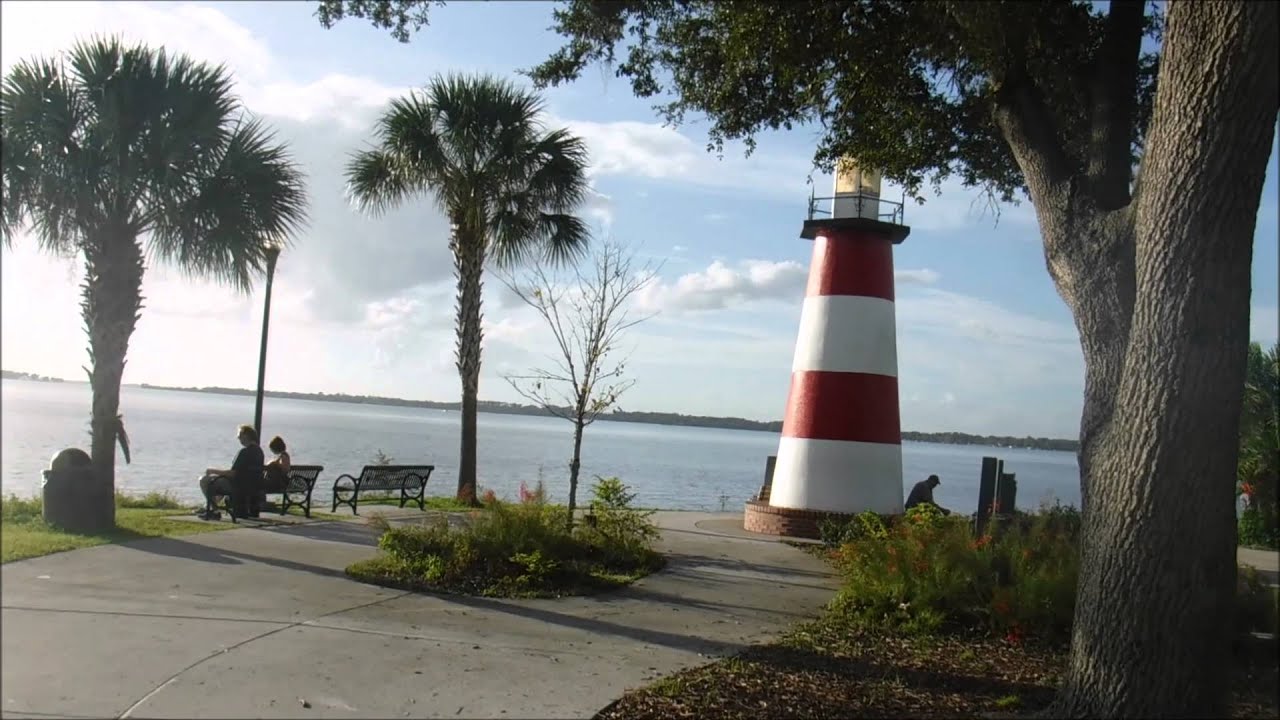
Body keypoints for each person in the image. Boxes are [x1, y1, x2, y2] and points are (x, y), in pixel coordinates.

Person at [197, 424, 265, 521]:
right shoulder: (259, 452)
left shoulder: (244, 452)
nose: (238, 438)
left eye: (239, 436)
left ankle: (215, 511)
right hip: (254, 486)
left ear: (245, 436)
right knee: (220, 481)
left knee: (204, 480)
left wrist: (213, 471)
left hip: (239, 486)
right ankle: (210, 507)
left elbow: (233, 473)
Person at [258, 436, 292, 509]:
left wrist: (276, 464)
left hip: (280, 483)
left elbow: (285, 469)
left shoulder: (283, 456)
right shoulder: (283, 455)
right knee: (260, 484)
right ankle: (261, 502)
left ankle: (261, 503)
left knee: (259, 485)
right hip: (279, 482)